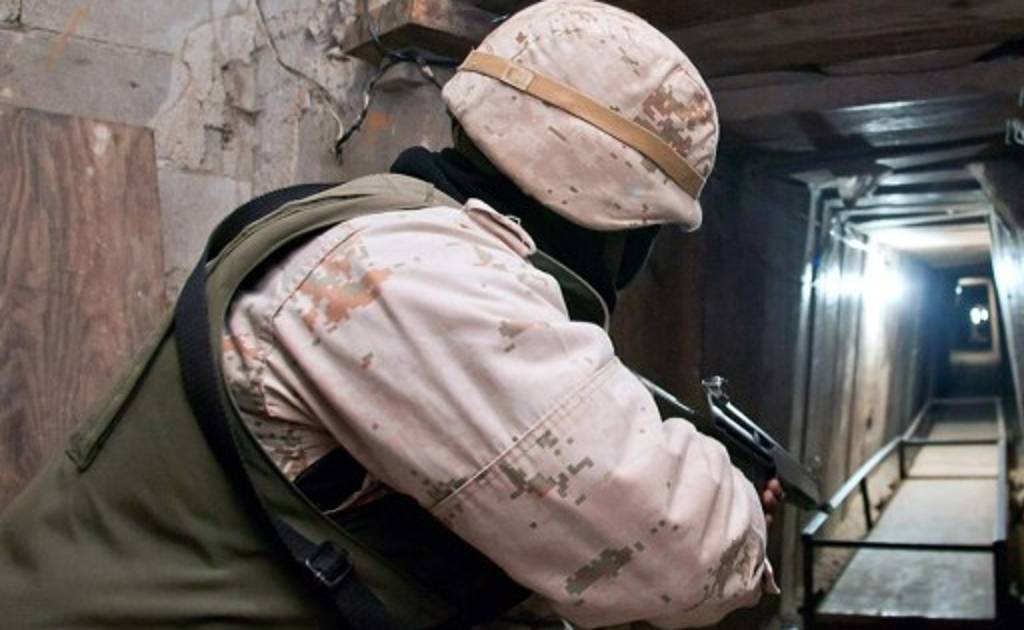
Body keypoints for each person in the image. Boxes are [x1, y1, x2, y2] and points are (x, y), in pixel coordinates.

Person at [0, 1, 779, 627]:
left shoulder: (395, 233)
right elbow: (686, 562)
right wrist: (733, 487)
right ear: (625, 223)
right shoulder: (424, 279)